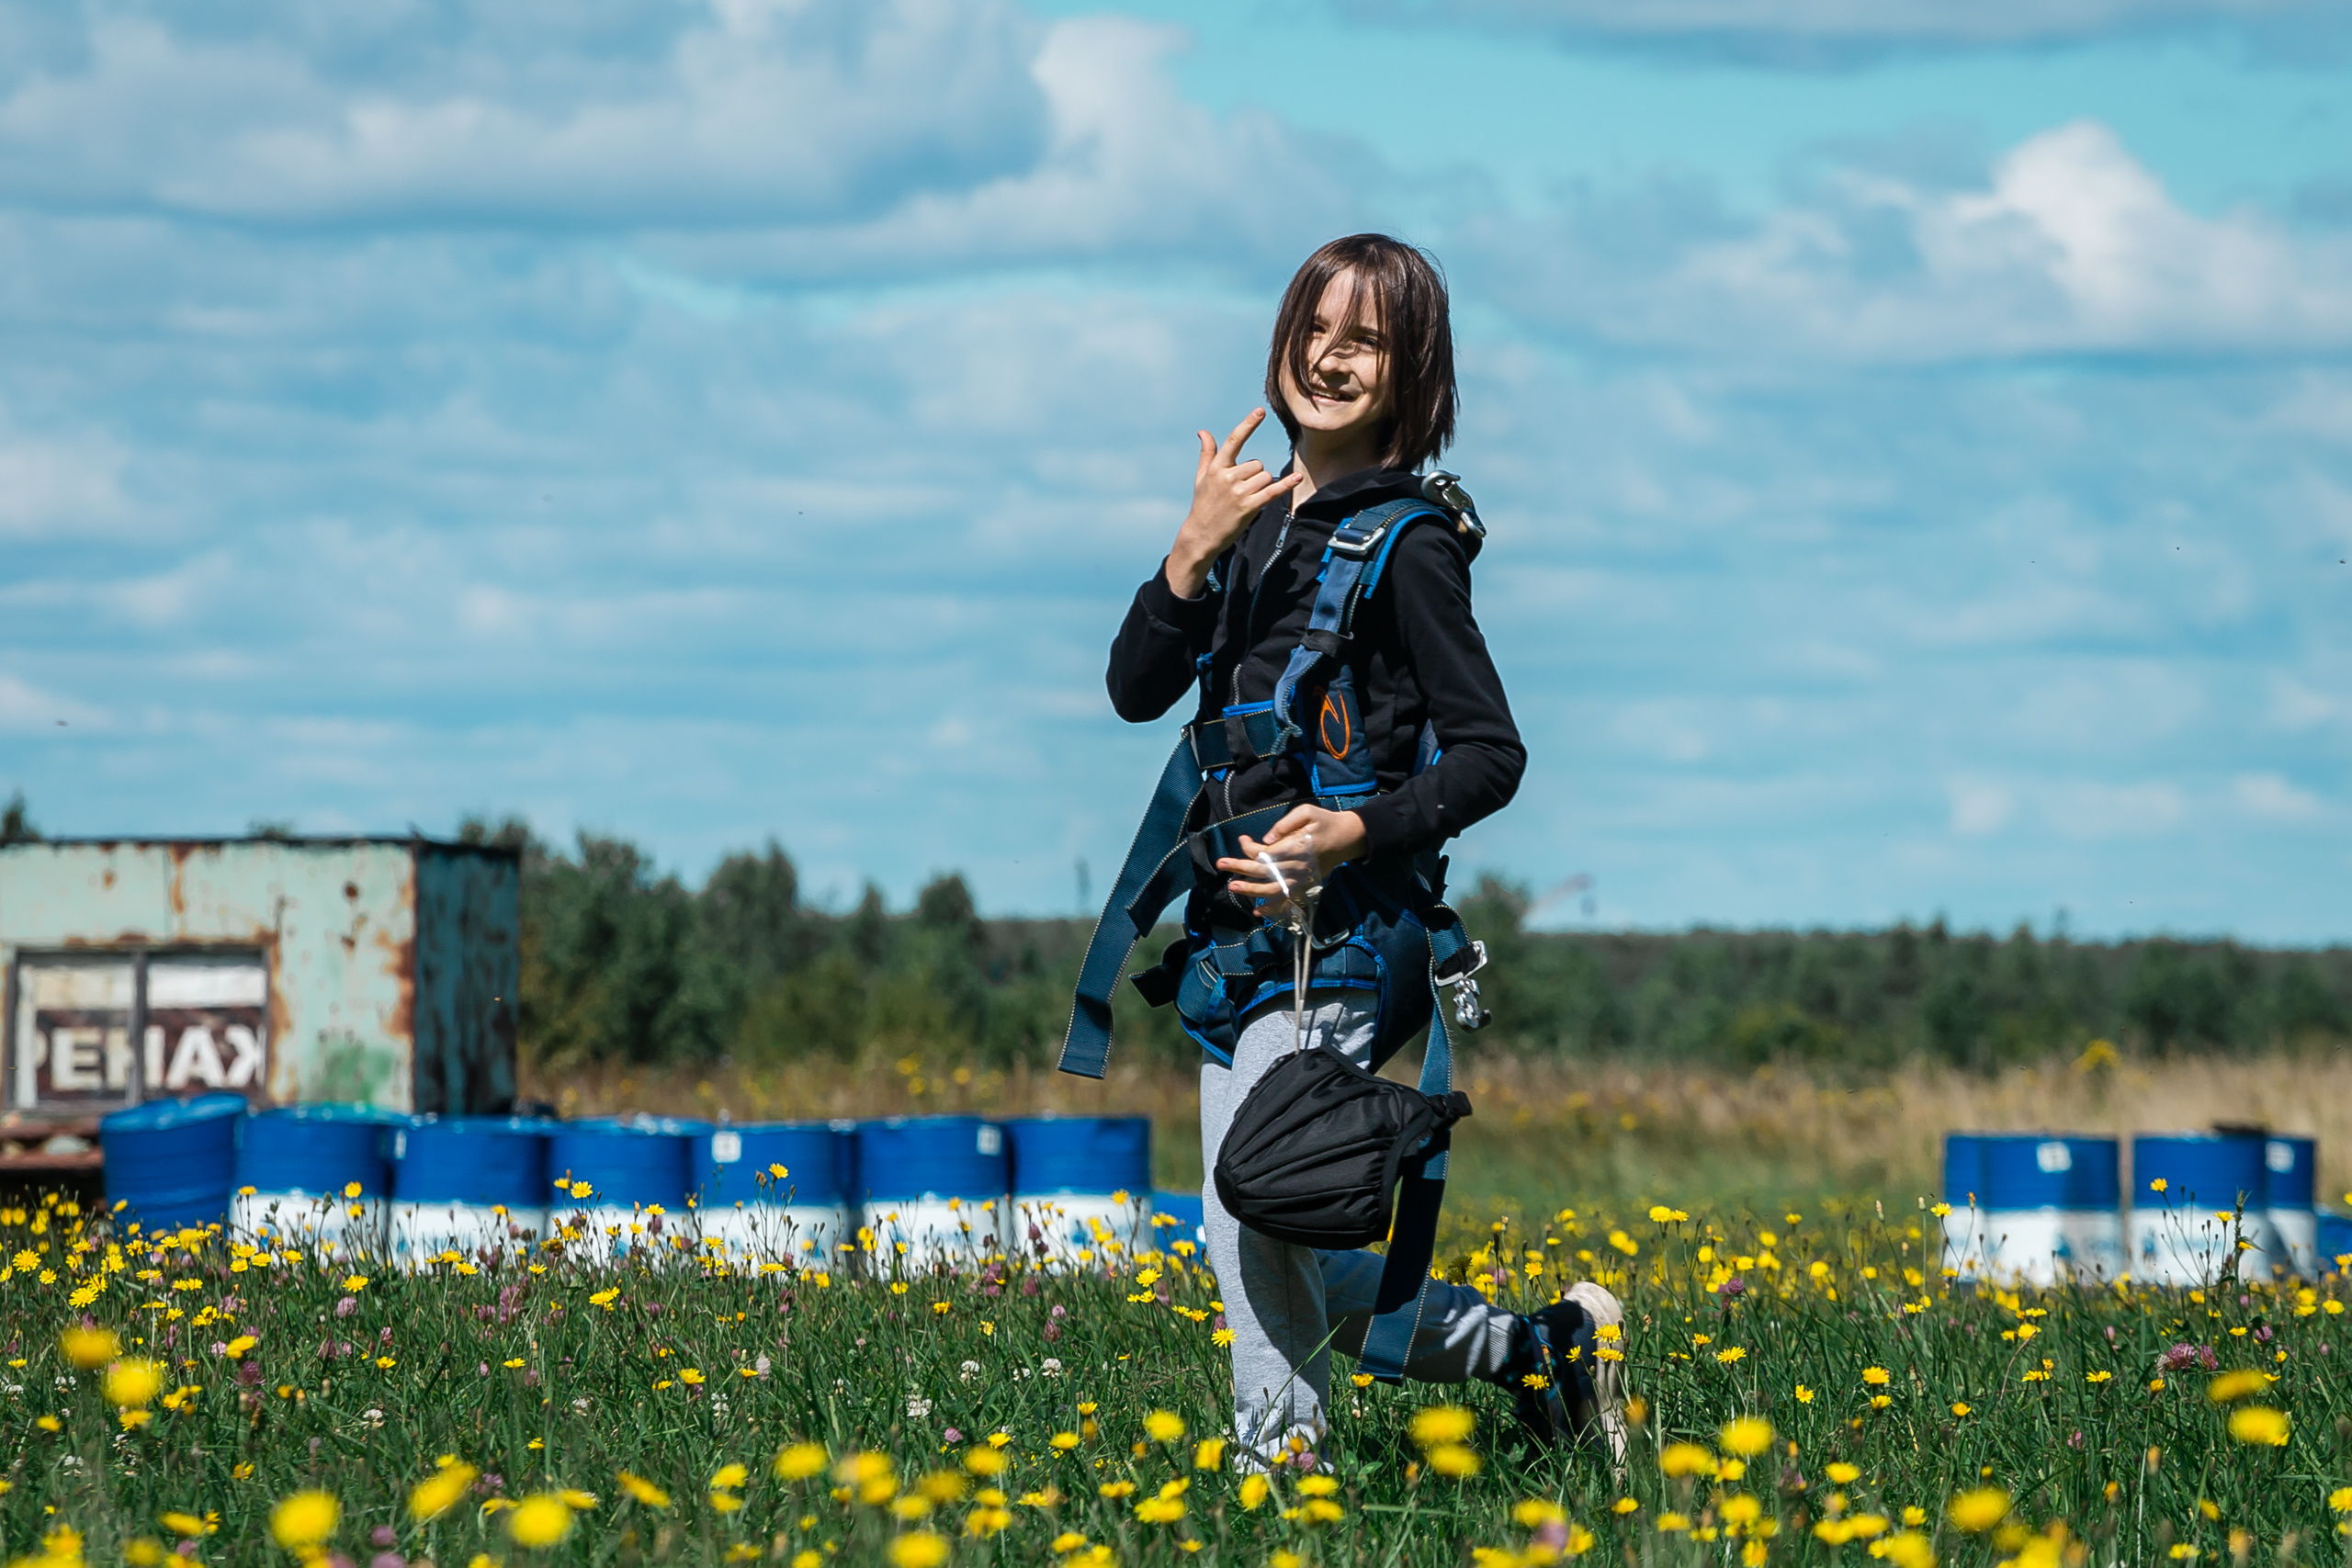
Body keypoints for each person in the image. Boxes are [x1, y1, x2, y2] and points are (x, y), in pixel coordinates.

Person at [1095, 233, 1626, 1468]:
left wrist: (1350, 833)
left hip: (1343, 937)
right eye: (1315, 326)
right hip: (1233, 947)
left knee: (1261, 1194)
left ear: (1413, 375)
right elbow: (1133, 691)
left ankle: (1283, 1479)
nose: (1330, 355)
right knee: (1270, 1233)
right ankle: (1545, 1354)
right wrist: (1190, 550)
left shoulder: (1412, 546)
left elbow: (1491, 755)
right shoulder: (1248, 524)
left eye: (1365, 339)